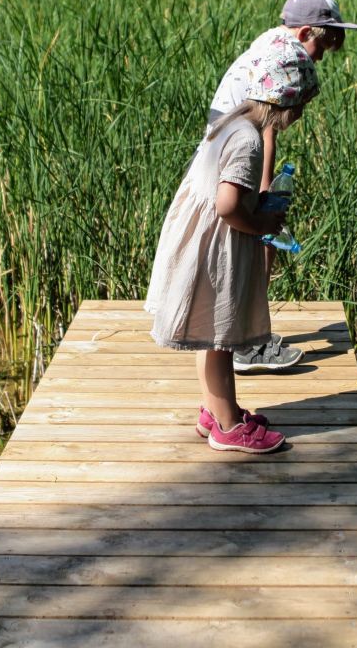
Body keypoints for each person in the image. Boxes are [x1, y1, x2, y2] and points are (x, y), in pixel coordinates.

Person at [145, 38, 320, 453]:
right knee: (221, 338)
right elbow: (227, 206)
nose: (299, 116)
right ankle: (227, 428)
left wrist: (255, 202)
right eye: (301, 107)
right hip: (217, 247)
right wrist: (259, 220)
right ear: (286, 102)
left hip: (201, 242)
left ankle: (216, 408)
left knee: (212, 335)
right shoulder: (249, 141)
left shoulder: (230, 122)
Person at [207, 0, 357, 373]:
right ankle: (245, 340)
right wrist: (262, 192)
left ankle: (247, 334)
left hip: (228, 146)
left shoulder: (272, 42)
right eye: (321, 47)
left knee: (264, 240)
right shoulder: (279, 57)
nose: (321, 57)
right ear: (305, 30)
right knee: (260, 242)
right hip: (233, 153)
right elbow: (268, 129)